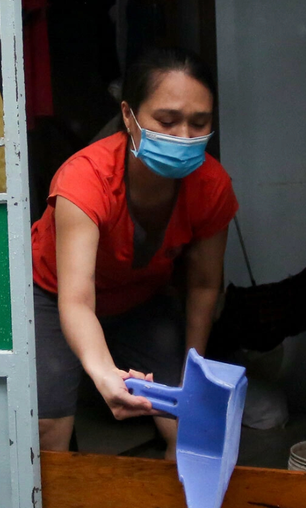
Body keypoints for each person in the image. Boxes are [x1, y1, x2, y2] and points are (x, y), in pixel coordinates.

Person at [30, 48, 237, 457]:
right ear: (128, 116)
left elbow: (203, 285)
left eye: (200, 123)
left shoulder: (212, 186)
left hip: (140, 300)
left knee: (187, 421)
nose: (184, 137)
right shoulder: (84, 179)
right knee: (48, 428)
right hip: (55, 297)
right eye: (166, 121)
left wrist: (193, 370)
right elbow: (76, 300)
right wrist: (105, 373)